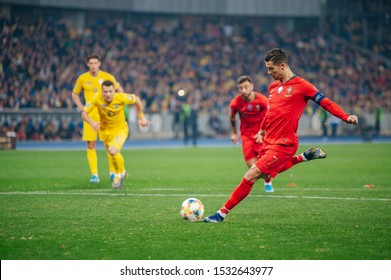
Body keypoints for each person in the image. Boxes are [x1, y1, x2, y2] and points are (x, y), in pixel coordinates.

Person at [204, 48, 358, 222]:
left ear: (283, 66)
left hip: (285, 143)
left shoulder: (303, 86)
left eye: (271, 69)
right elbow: (271, 113)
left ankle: (221, 214)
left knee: (251, 174)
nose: (269, 73)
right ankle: (303, 158)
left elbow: (326, 103)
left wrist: (346, 117)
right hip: (268, 139)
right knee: (264, 174)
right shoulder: (273, 87)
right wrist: (262, 130)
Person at [81, 80, 149, 189]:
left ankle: (119, 175)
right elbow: (84, 113)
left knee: (113, 151)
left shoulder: (120, 97)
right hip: (106, 132)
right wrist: (92, 123)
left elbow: (137, 99)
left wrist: (141, 116)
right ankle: (122, 172)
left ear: (114, 91)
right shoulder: (96, 98)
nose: (108, 94)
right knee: (113, 155)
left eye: (110, 91)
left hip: (121, 130)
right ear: (102, 91)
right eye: (105, 92)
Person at [72, 54, 124, 183]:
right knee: (91, 144)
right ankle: (95, 175)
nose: (93, 65)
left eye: (95, 63)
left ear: (99, 63)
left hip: (105, 116)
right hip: (89, 117)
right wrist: (81, 107)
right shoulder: (83, 78)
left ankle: (112, 172)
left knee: (109, 145)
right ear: (87, 64)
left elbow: (119, 90)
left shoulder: (107, 77)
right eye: (91, 63)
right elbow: (74, 94)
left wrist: (117, 106)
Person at [230, 75, 274, 192]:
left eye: (246, 87)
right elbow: (232, 118)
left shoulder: (262, 100)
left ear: (252, 87)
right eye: (240, 88)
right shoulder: (236, 103)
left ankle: (268, 180)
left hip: (262, 135)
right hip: (246, 135)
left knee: (265, 164)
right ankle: (266, 177)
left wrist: (263, 133)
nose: (243, 90)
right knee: (251, 165)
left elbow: (269, 118)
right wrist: (235, 133)